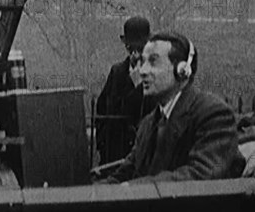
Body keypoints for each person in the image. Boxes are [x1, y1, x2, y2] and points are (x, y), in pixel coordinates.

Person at [102, 31, 245, 184]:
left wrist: (131, 188)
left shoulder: (213, 115)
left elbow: (201, 174)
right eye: (142, 62)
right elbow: (125, 173)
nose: (142, 71)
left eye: (153, 62)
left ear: (182, 70)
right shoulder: (148, 124)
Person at [96, 16, 155, 165]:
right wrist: (102, 142)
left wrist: (138, 86)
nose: (135, 54)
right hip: (117, 149)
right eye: (130, 48)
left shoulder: (154, 73)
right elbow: (105, 108)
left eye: (139, 48)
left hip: (142, 149)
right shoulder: (117, 72)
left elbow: (151, 110)